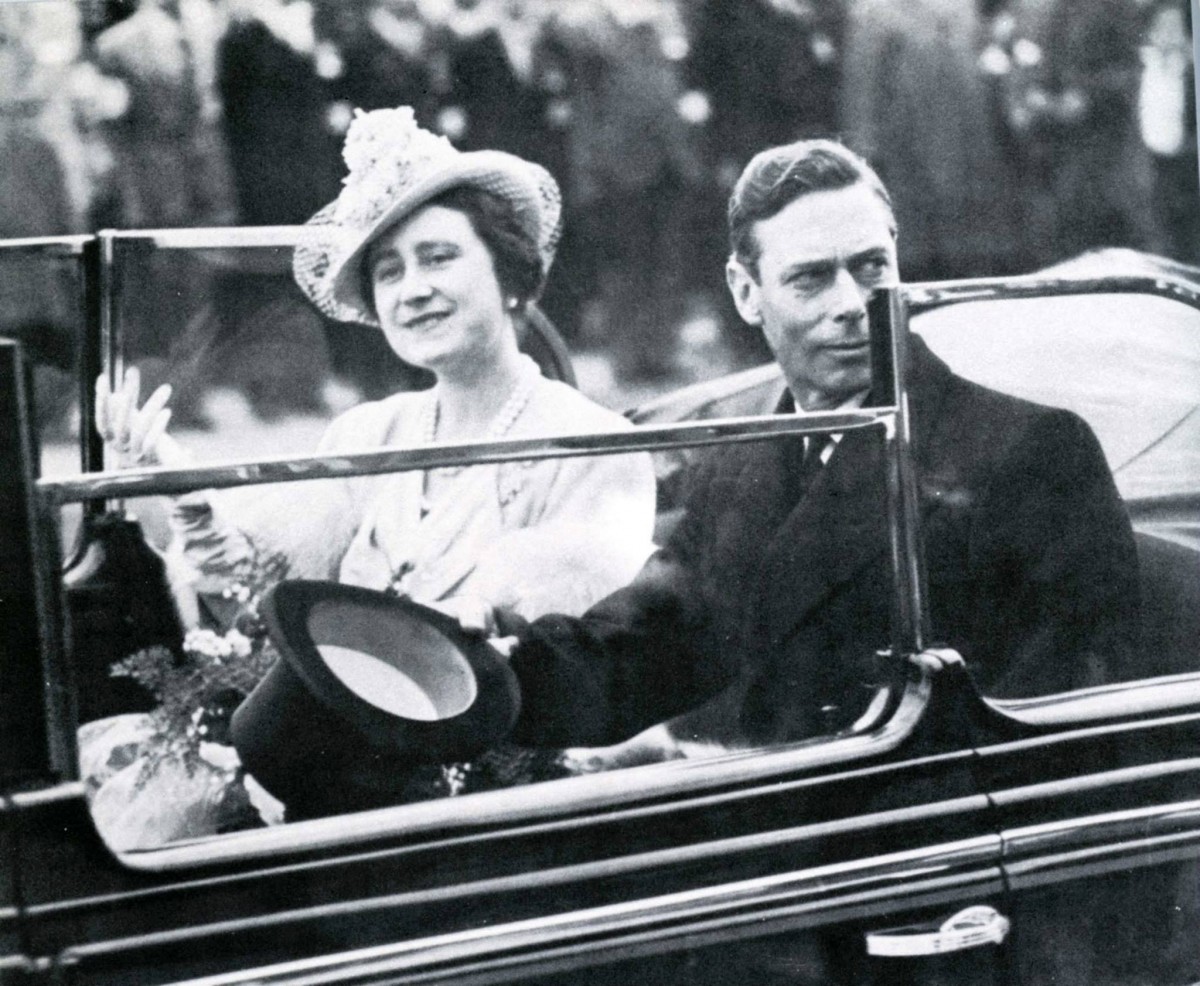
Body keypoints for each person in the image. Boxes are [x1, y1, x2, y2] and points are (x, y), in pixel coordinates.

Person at [86, 105, 657, 846]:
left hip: (487, 814)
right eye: (390, 272)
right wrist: (185, 497)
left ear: (513, 277)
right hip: (337, 785)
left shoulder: (588, 443)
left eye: (440, 257)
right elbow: (261, 603)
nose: (412, 289)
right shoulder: (369, 435)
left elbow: (583, 653)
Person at [476, 139, 1140, 755]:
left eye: (871, 267)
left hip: (923, 843)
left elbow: (1063, 716)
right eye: (811, 279)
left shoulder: (1031, 451)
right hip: (782, 825)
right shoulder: (741, 463)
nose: (852, 303)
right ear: (745, 293)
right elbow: (649, 645)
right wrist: (494, 673)